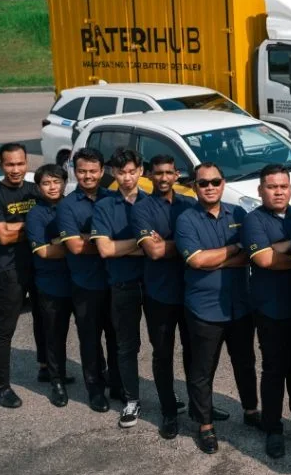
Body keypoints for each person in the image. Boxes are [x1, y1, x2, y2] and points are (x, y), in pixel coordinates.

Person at [175, 162, 260, 454]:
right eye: (203, 183)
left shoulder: (238, 214)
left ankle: (251, 411)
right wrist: (234, 249)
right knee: (203, 369)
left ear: (223, 183)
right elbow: (196, 261)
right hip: (204, 309)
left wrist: (215, 259)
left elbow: (250, 256)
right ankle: (205, 425)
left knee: (245, 363)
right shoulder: (187, 220)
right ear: (194, 186)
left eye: (215, 181)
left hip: (240, 306)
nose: (209, 187)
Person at [132, 154, 206, 440]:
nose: (163, 177)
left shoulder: (190, 203)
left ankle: (200, 408)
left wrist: (171, 245)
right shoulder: (142, 209)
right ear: (149, 176)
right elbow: (153, 251)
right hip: (159, 294)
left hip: (190, 294)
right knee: (163, 355)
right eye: (158, 173)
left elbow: (201, 244)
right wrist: (189, 245)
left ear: (177, 175)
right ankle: (169, 412)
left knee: (195, 355)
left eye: (168, 172)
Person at [243, 164, 291, 459]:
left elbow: (280, 253)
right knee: (274, 370)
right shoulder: (253, 220)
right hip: (270, 310)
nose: (278, 192)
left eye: (283, 186)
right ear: (260, 190)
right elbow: (265, 260)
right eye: (271, 187)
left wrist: (282, 248)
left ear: (290, 189)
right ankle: (273, 428)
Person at [57, 147, 121, 413]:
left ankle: (117, 384)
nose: (87, 176)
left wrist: (91, 238)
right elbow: (74, 246)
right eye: (82, 171)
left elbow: (121, 233)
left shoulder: (113, 198)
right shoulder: (67, 205)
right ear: (74, 170)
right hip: (85, 284)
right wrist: (107, 243)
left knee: (117, 338)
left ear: (102, 171)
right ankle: (95, 389)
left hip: (115, 281)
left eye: (93, 171)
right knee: (90, 340)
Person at [0, 142, 45, 408]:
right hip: (11, 270)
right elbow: (3, 237)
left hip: (39, 266)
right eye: (10, 164)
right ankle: (3, 386)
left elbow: (52, 219)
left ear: (27, 163)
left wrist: (16, 226)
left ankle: (46, 367)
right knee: (6, 328)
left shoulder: (35, 190)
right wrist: (35, 224)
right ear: (1, 165)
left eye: (20, 163)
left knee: (43, 319)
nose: (15, 169)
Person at [91, 149, 148, 427]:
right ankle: (131, 400)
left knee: (163, 346)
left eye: (132, 171)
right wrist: (142, 243)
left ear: (141, 171)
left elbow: (160, 246)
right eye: (121, 172)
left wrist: (121, 247)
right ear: (113, 173)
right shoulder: (104, 206)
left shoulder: (152, 202)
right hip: (122, 284)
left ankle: (168, 395)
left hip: (154, 283)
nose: (127, 177)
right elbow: (105, 249)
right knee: (126, 346)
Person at [25, 164, 75, 408]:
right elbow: (44, 251)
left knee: (90, 333)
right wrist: (76, 245)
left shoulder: (72, 205)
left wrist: (60, 243)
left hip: (78, 280)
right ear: (38, 187)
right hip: (51, 283)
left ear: (64, 182)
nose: (52, 187)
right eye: (46, 183)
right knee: (54, 335)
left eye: (56, 181)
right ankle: (57, 381)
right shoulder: (36, 214)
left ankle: (98, 375)